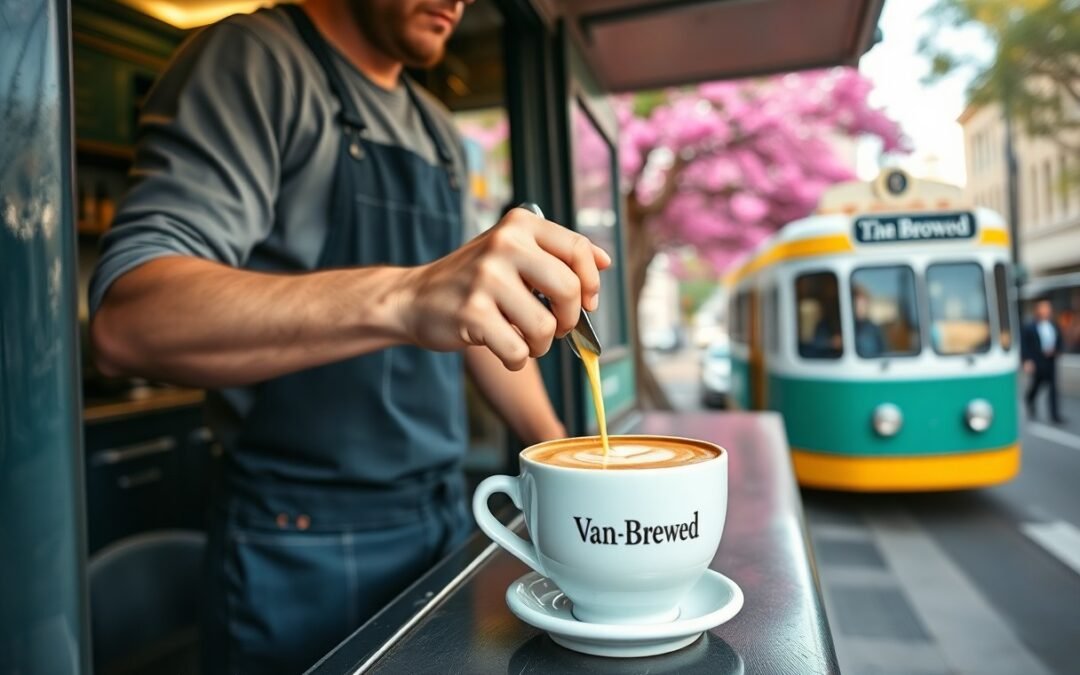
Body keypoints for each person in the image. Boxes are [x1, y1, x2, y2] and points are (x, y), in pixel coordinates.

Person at [87, 1, 610, 672]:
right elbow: (131, 320)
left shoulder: (440, 134)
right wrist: (407, 294)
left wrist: (561, 460)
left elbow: (477, 317)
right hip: (295, 544)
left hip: (443, 516)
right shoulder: (259, 60)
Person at [1022, 298, 1065, 424]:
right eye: (1043, 307)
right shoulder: (1030, 326)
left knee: (1053, 388)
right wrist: (1026, 360)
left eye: (1048, 307)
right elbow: (1025, 345)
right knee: (1036, 385)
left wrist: (1057, 350)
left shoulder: (1054, 325)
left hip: (1050, 360)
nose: (1046, 310)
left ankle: (1054, 415)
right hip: (1037, 361)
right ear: (1038, 310)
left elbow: (1059, 340)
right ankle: (1029, 399)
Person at [852, 285, 885, 358]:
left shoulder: (874, 329)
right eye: (856, 304)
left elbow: (885, 353)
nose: (859, 307)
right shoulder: (842, 327)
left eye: (862, 304)